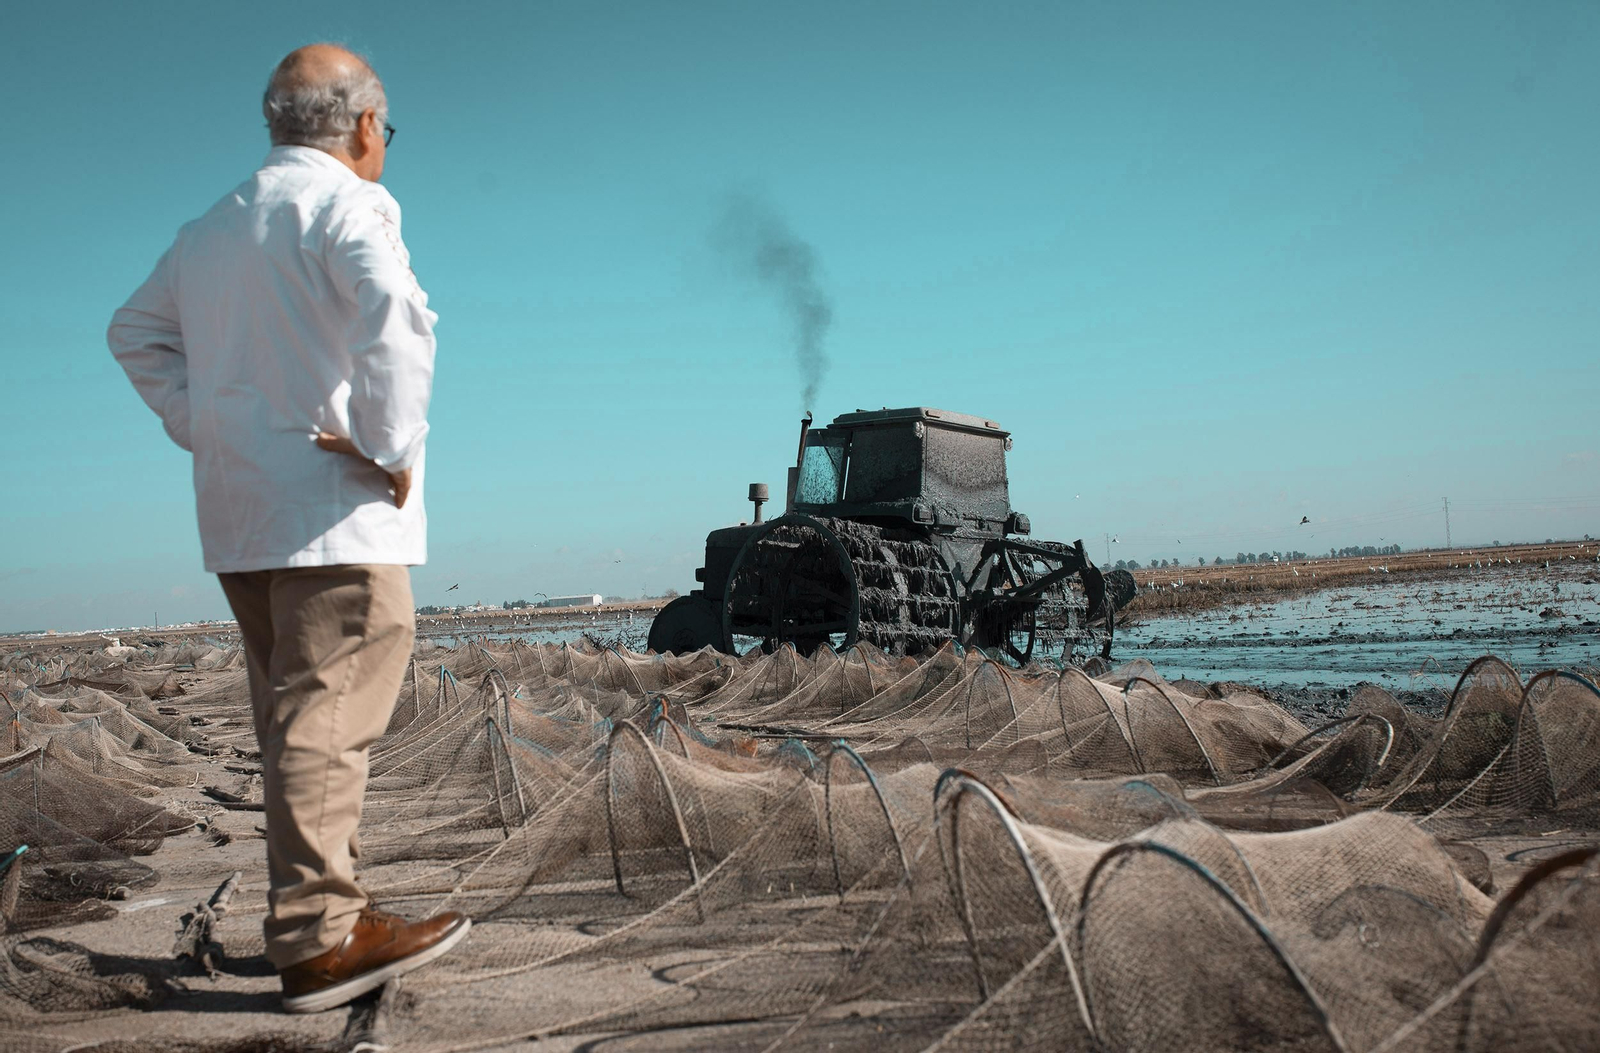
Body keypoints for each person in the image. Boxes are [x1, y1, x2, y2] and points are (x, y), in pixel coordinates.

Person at [108, 43, 469, 1014]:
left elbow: (131, 334)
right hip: (334, 515)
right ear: (361, 127)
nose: (381, 145)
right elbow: (399, 318)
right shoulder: (349, 203)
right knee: (325, 719)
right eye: (383, 130)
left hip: (240, 517)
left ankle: (324, 916)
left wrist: (205, 423)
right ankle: (321, 938)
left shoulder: (209, 229)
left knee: (295, 723)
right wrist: (389, 447)